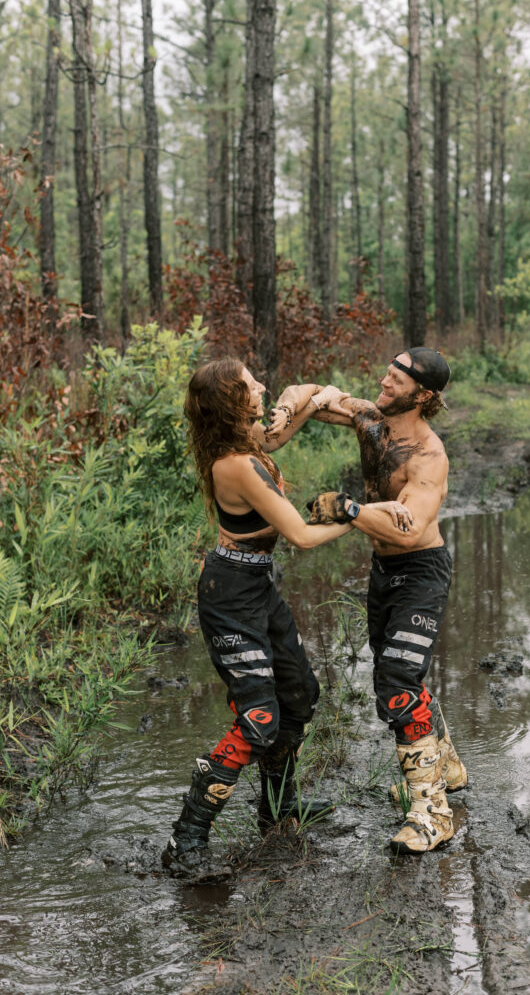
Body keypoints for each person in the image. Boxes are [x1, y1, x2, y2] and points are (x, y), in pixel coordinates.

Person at [162, 356, 412, 873]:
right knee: (258, 720)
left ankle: (277, 810)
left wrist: (309, 402)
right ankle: (186, 836)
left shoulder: (244, 440)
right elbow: (299, 534)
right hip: (229, 593)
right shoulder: (234, 464)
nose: (261, 384)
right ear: (234, 400)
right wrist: (362, 516)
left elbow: (276, 432)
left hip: (256, 582)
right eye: (251, 383)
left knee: (300, 694)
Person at [302, 348, 468, 854]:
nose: (384, 381)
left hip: (421, 572)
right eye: (387, 373)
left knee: (396, 682)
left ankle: (431, 813)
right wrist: (302, 400)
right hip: (383, 572)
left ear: (423, 395)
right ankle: (448, 765)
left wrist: (349, 508)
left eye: (396, 380)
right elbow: (322, 402)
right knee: (398, 673)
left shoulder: (428, 455)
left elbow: (410, 525)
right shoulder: (373, 422)